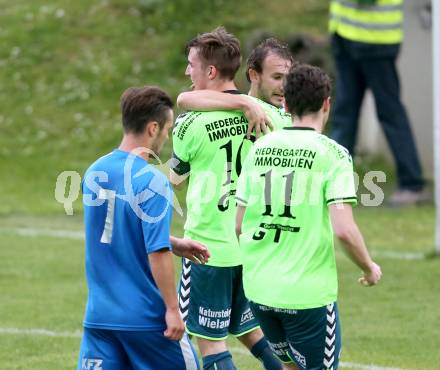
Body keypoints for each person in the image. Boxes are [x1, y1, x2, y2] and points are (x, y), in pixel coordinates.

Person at [235, 64, 382, 370]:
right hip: (307, 297)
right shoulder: (334, 154)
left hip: (260, 290)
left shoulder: (258, 149)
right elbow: (344, 230)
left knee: (289, 366)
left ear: (285, 103)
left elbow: (239, 225)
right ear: (327, 103)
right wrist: (368, 267)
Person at [171, 28, 284, 370]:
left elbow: (175, 177)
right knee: (251, 331)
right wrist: (247, 101)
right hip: (253, 248)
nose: (187, 72)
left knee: (209, 343)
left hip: (207, 249)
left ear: (210, 72)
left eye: (191, 64)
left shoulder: (190, 125)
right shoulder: (271, 118)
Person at [78, 86, 209, 370]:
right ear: (153, 128)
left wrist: (172, 242)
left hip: (100, 319)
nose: (167, 136)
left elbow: (114, 231)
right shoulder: (152, 181)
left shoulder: (93, 173)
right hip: (146, 320)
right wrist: (173, 310)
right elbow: (156, 251)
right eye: (167, 128)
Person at [329, 0, 426, 206]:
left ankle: (411, 183)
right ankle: (335, 182)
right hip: (344, 32)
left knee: (390, 112)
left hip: (375, 40)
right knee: (344, 114)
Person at [176, 38, 295, 135]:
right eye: (277, 77)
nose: (284, 87)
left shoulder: (292, 118)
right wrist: (246, 103)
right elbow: (184, 99)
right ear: (254, 75)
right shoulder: (236, 106)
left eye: (288, 78)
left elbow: (184, 99)